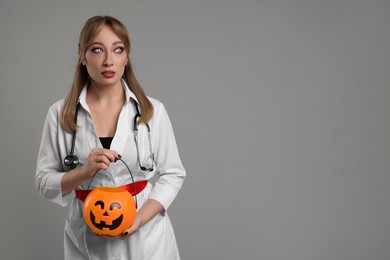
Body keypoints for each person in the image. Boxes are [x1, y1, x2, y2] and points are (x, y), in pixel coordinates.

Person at [35, 15, 186, 260]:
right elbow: (43, 182)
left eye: (117, 50)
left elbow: (173, 175)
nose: (108, 61)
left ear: (126, 56)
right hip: (86, 237)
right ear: (82, 55)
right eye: (97, 50)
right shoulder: (60, 114)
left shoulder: (152, 111)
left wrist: (139, 219)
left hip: (148, 238)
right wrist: (84, 171)